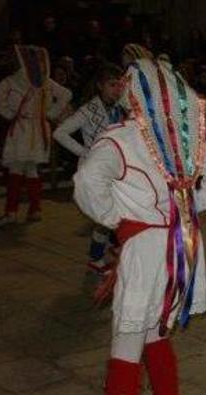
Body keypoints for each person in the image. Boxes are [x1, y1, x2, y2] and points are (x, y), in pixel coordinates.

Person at [58, 59, 206, 395]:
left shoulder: (121, 137)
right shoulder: (182, 137)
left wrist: (115, 216)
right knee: (155, 330)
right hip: (181, 246)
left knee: (127, 337)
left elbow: (86, 184)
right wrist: (196, 205)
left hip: (143, 248)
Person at [53, 63, 125, 273]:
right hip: (96, 172)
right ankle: (96, 259)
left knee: (116, 212)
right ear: (100, 85)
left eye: (119, 85)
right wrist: (85, 152)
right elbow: (60, 133)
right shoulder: (88, 110)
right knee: (103, 217)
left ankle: (112, 249)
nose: (117, 89)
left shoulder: (119, 108)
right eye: (112, 85)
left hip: (114, 169)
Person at [0, 45, 72, 228]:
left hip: (24, 129)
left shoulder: (19, 80)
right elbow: (66, 94)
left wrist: (8, 113)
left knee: (17, 169)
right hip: (35, 129)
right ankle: (35, 209)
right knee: (30, 169)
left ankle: (12, 212)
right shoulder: (39, 81)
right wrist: (50, 113)